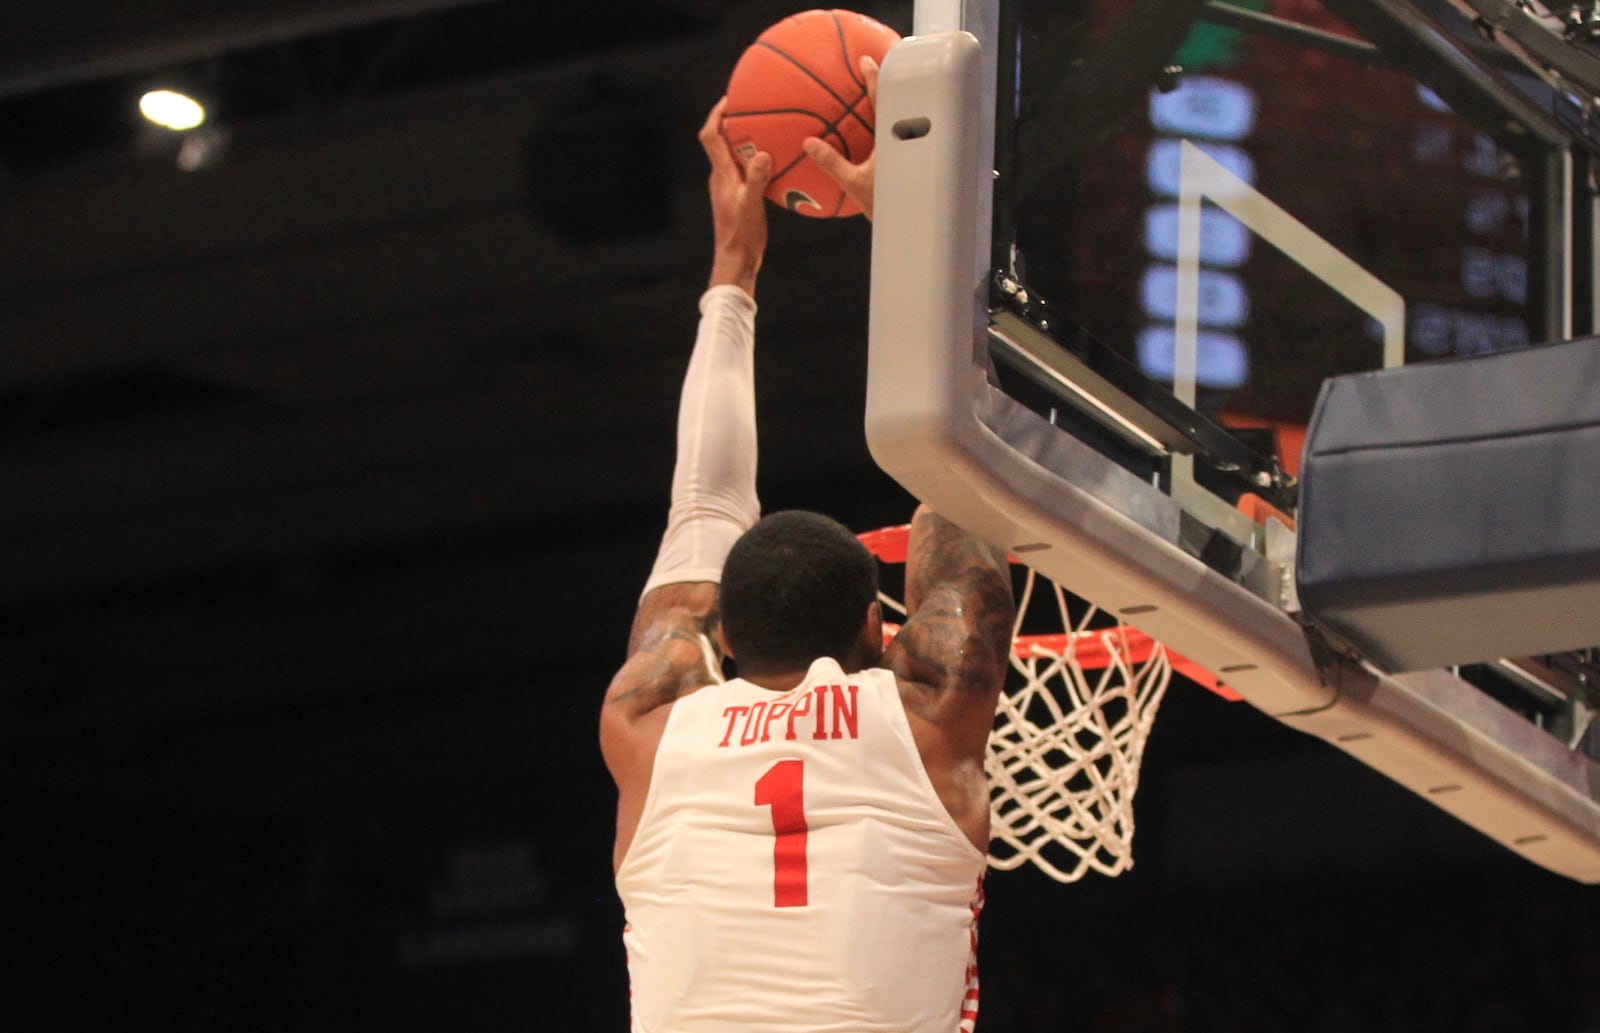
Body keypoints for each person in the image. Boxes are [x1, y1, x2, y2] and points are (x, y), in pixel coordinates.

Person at [599, 71, 1016, 1033]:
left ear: (723, 643)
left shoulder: (648, 727)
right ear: (882, 626)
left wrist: (733, 271)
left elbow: (705, 498)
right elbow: (961, 471)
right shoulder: (924, 716)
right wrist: (902, 235)